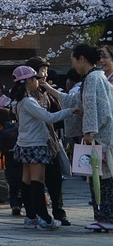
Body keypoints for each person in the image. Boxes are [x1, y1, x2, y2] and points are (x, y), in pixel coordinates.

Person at [10, 65, 77, 231]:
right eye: (34, 79)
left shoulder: (19, 102)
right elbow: (48, 117)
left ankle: (31, 216)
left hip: (24, 144)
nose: (37, 82)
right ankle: (44, 218)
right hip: (35, 145)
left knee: (26, 181)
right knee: (37, 182)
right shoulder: (29, 102)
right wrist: (71, 110)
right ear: (28, 81)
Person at [25, 55, 70, 226]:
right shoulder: (27, 96)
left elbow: (58, 111)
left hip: (50, 140)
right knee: (35, 179)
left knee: (55, 178)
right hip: (36, 141)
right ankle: (35, 213)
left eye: (45, 70)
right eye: (41, 70)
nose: (44, 74)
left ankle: (59, 211)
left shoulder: (47, 92)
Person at [72, 44, 113, 231]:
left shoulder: (92, 79)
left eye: (74, 59)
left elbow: (93, 107)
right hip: (106, 133)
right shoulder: (99, 76)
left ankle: (105, 217)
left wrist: (89, 131)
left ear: (81, 59)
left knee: (101, 179)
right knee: (104, 178)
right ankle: (105, 216)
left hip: (100, 137)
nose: (73, 64)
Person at [0, 108, 23, 216]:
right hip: (23, 158)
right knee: (25, 182)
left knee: (13, 184)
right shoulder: (19, 128)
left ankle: (15, 204)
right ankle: (28, 204)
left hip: (10, 159)